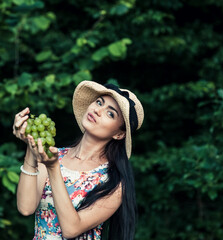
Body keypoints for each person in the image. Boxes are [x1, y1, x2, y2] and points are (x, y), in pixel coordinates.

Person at [12, 80, 144, 240]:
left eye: (110, 113)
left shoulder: (113, 181)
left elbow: (71, 229)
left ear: (119, 134)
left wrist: (54, 169)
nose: (98, 110)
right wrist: (31, 147)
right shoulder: (53, 156)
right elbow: (26, 208)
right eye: (99, 102)